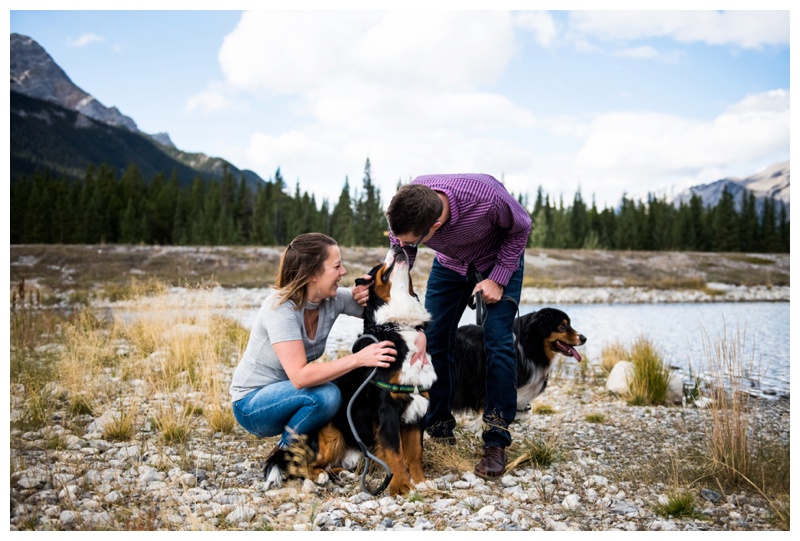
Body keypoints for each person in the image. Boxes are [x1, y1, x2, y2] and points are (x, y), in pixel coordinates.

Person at [386, 173, 532, 478]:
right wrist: (391, 286)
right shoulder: (408, 204)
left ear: (435, 226)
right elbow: (401, 250)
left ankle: (496, 440)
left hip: (496, 261)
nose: (401, 243)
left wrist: (499, 277)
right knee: (433, 338)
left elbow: (522, 228)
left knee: (497, 343)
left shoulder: (487, 198)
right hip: (450, 265)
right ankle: (439, 426)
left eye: (412, 241)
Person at [229, 232, 399, 464]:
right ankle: (287, 455)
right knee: (327, 395)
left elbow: (380, 313)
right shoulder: (280, 309)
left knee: (330, 391)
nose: (344, 272)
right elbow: (300, 377)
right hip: (252, 404)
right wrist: (360, 358)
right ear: (313, 275)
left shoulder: (332, 298)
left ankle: (301, 451)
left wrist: (369, 291)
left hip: (289, 395)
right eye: (337, 266)